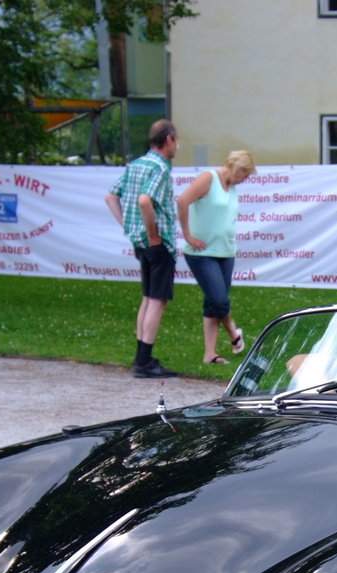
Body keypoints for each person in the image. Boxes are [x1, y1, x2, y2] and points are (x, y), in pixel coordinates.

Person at [106, 119, 181, 379]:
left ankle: (141, 356)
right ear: (169, 139)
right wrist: (152, 234)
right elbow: (144, 200)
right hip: (158, 243)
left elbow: (111, 196)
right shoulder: (160, 168)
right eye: (176, 140)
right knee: (157, 301)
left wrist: (128, 226)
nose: (177, 146)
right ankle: (145, 361)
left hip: (140, 243)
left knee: (148, 298)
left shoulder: (136, 164)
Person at [178, 149, 256, 365]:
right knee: (220, 301)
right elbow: (183, 201)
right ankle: (234, 334)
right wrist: (187, 235)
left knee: (212, 304)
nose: (245, 179)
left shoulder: (231, 188)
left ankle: (210, 354)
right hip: (202, 253)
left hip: (226, 252)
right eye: (245, 174)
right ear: (237, 168)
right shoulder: (208, 179)